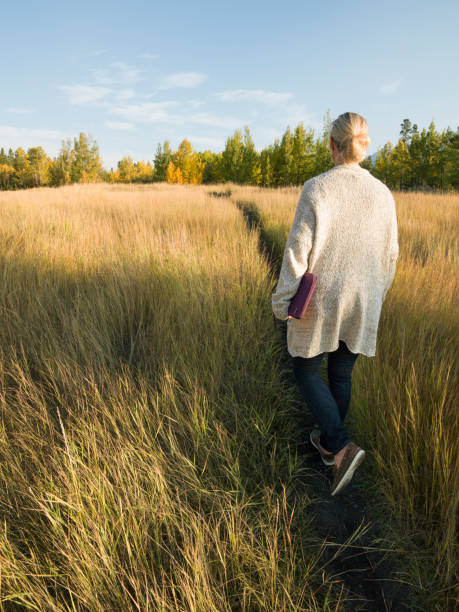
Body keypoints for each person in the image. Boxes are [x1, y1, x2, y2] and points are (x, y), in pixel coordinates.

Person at [271, 112, 399, 496]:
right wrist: (377, 294)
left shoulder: (317, 188)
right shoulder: (384, 194)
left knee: (306, 371)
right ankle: (329, 444)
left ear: (332, 145)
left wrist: (282, 303)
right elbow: (390, 256)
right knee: (341, 375)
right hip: (363, 299)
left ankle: (340, 445)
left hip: (321, 301)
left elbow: (297, 253)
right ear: (364, 146)